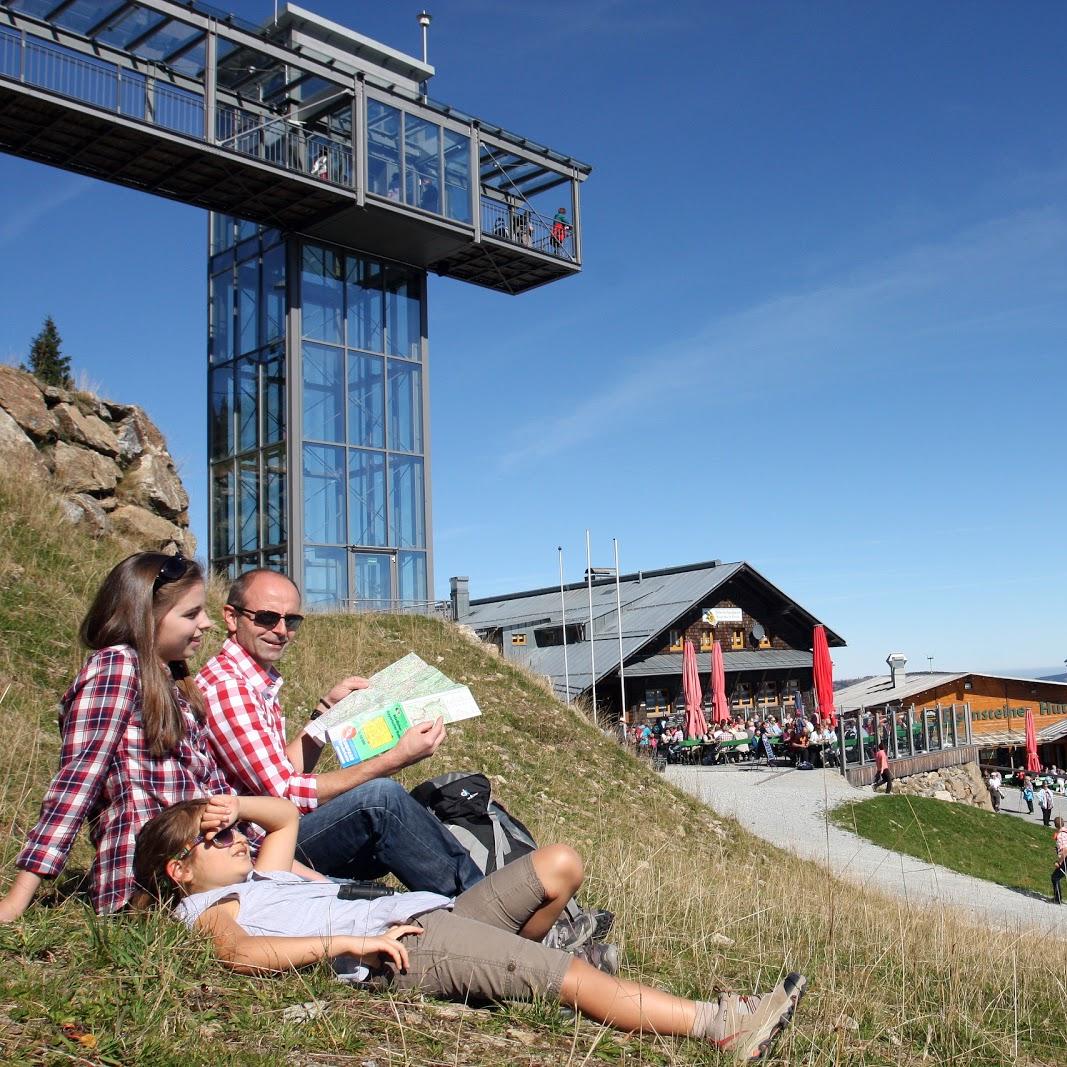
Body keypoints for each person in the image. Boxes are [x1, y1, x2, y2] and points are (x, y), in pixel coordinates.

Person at [133, 794, 807, 1061]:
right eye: (212, 838)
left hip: (431, 913)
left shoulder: (258, 877)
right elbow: (241, 954)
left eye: (227, 831)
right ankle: (719, 1024)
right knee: (565, 975)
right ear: (178, 870)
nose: (231, 838)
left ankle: (517, 965)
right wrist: (350, 943)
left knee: (558, 864)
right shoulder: (208, 908)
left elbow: (281, 818)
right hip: (408, 945)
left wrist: (231, 804)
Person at [196, 569, 481, 897]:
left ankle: (454, 903)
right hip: (260, 846)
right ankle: (481, 903)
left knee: (406, 808)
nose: (280, 631)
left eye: (291, 621)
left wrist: (324, 716)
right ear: (232, 617)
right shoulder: (230, 688)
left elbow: (278, 775)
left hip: (270, 832)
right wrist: (392, 760)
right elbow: (286, 795)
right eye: (266, 617)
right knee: (381, 799)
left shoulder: (249, 679)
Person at [0, 552, 239, 920]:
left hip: (211, 857)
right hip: (156, 879)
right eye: (191, 614)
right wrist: (16, 901)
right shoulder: (117, 666)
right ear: (146, 616)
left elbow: (212, 784)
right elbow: (77, 782)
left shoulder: (176, 682)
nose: (206, 623)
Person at [1052, 816, 1067, 905]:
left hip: (1066, 858)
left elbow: (1065, 849)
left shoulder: (1060, 835)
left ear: (1055, 825)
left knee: (1055, 877)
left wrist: (1059, 862)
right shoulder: (1066, 832)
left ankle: (1058, 899)